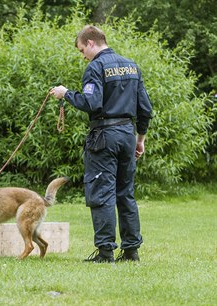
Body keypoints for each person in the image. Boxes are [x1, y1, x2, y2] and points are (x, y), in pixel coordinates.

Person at [51, 25, 153, 263]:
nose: (82, 55)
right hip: (128, 134)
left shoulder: (95, 67)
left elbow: (92, 103)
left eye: (81, 50)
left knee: (102, 192)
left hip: (105, 136)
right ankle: (130, 251)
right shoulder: (131, 65)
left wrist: (66, 93)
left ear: (90, 43)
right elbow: (145, 109)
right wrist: (140, 139)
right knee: (125, 193)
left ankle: (105, 252)